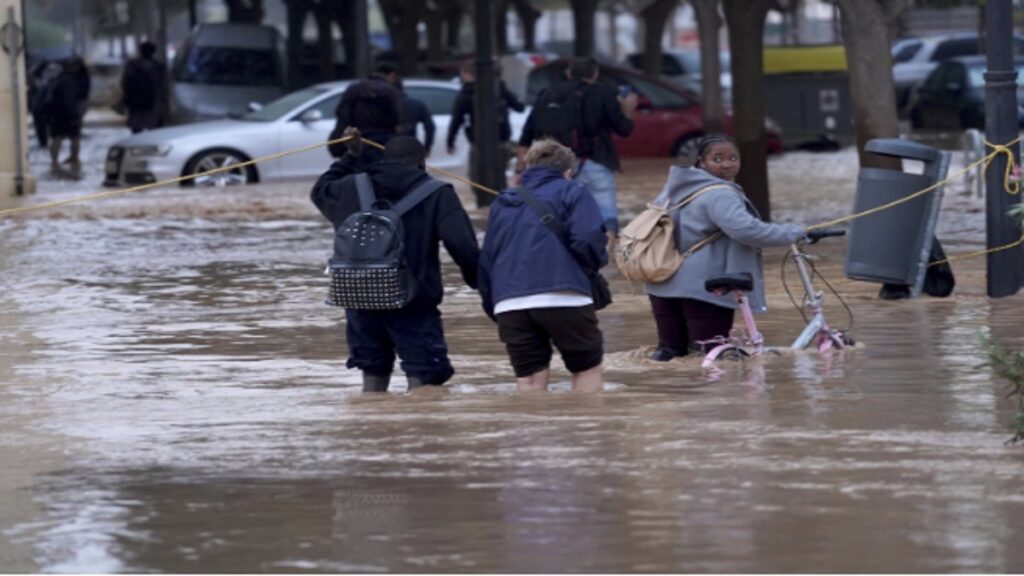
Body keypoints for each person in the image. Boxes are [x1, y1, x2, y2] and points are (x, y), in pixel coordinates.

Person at [310, 134, 481, 393]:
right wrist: (478, 282)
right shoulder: (438, 193)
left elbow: (320, 190)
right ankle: (417, 429)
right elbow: (463, 246)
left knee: (373, 372)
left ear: (384, 158)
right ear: (422, 162)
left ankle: (374, 427)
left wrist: (350, 156)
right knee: (424, 378)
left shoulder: (349, 187)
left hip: (359, 299)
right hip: (414, 302)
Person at [644, 134, 806, 361]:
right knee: (711, 357)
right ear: (701, 161)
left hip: (661, 284)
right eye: (717, 159)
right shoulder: (720, 193)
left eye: (733, 158)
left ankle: (666, 396)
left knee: (670, 356)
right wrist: (794, 232)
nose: (727, 164)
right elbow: (748, 231)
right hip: (704, 289)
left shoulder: (673, 189)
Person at [478, 139, 608, 393]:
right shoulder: (574, 192)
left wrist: (494, 305)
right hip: (566, 297)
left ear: (527, 167)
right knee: (586, 369)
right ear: (568, 171)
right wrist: (593, 268)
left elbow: (487, 259)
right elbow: (588, 239)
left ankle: (533, 430)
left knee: (529, 380)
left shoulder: (503, 202)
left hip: (510, 303)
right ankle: (589, 429)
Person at [517, 56, 637, 238]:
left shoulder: (547, 94)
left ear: (568, 73)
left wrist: (521, 170)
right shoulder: (603, 94)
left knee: (559, 213)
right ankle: (608, 253)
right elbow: (624, 130)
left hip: (554, 166)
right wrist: (627, 109)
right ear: (595, 74)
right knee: (606, 216)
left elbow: (527, 135)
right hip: (595, 160)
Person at [447, 59, 525, 207]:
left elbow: (457, 119)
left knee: (477, 176)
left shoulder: (467, 92)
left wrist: (450, 141)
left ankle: (486, 204)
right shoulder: (499, 89)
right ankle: (502, 204)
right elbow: (519, 107)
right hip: (501, 140)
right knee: (499, 176)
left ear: (468, 74)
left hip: (479, 142)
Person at [326, 73, 402, 163]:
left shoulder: (353, 90)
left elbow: (343, 118)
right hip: (382, 146)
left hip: (357, 145)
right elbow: (397, 118)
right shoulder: (390, 91)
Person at [374, 60, 435, 154]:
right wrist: (427, 148)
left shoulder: (377, 104)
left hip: (384, 149)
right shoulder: (417, 105)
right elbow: (430, 127)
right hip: (410, 149)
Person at [47, 57, 91, 169]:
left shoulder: (63, 78)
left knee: (61, 137)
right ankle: (66, 158)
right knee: (71, 137)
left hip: (61, 114)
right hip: (66, 113)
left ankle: (59, 160)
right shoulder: (74, 79)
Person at [120, 40, 168, 133]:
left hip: (135, 102)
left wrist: (127, 96)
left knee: (136, 128)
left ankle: (137, 144)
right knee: (154, 128)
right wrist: (164, 102)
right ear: (153, 52)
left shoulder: (132, 65)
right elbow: (164, 85)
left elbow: (124, 82)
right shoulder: (158, 66)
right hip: (153, 102)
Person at [28, 59, 61, 148]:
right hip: (42, 105)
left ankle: (44, 141)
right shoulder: (47, 78)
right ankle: (45, 141)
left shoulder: (41, 79)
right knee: (43, 125)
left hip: (41, 105)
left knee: (42, 125)